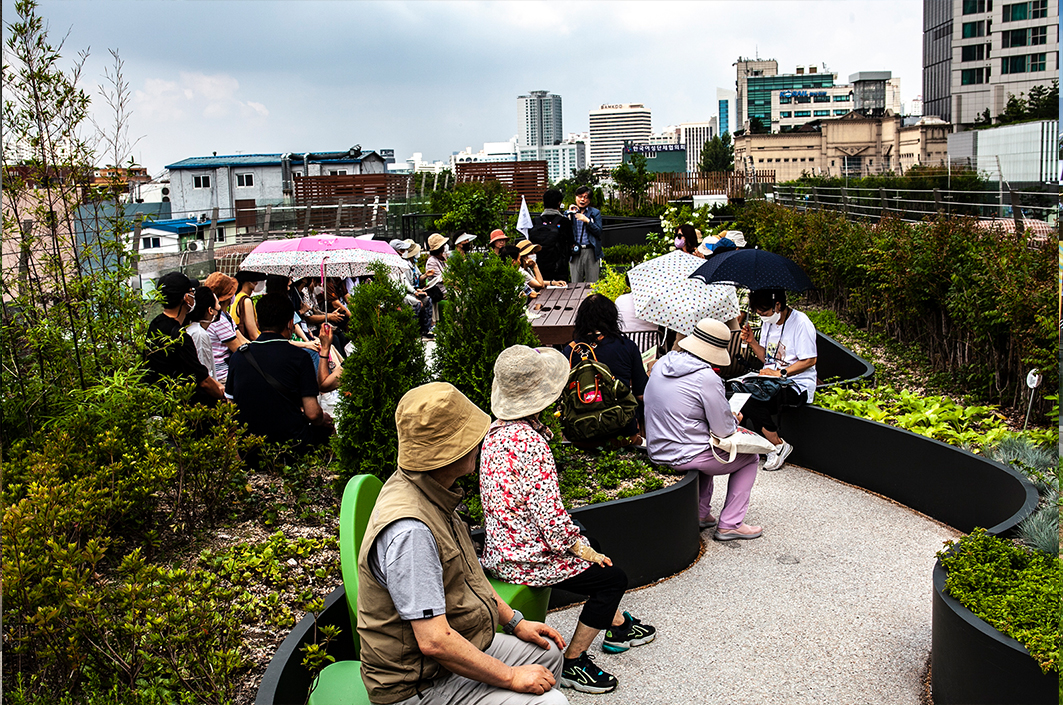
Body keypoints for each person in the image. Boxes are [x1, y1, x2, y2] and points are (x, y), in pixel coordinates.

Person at [358, 381, 569, 705]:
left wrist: (515, 622)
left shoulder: (432, 492)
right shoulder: (411, 531)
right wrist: (511, 677)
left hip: (451, 652)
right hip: (419, 685)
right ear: (447, 454)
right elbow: (434, 642)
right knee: (550, 703)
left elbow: (469, 576)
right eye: (469, 438)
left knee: (548, 652)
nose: (478, 444)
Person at [480, 345, 657, 695]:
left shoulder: (494, 433)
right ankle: (574, 662)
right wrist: (583, 550)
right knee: (612, 579)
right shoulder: (532, 444)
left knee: (595, 546)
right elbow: (552, 524)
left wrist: (585, 546)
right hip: (526, 559)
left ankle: (617, 625)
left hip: (501, 549)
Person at [644, 317, 763, 541]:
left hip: (657, 448)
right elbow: (723, 430)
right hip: (685, 454)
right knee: (749, 458)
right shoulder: (707, 377)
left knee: (704, 444)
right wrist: (734, 418)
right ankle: (731, 524)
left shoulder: (662, 363)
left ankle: (700, 513)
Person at [225, 293, 333, 451]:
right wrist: (323, 419)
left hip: (250, 449)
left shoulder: (239, 356)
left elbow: (230, 406)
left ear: (258, 323)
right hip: (292, 446)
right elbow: (312, 414)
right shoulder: (300, 358)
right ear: (290, 324)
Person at [739, 288, 818, 470]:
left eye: (764, 312)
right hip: (771, 380)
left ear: (778, 305)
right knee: (738, 393)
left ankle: (778, 446)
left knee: (753, 400)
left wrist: (782, 373)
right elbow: (767, 358)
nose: (762, 317)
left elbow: (810, 360)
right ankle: (748, 445)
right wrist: (752, 341)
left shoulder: (801, 323)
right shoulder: (768, 323)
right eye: (758, 313)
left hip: (796, 384)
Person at [561, 293, 648, 444]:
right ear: (613, 318)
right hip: (623, 433)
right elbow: (641, 394)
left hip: (581, 436)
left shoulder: (570, 351)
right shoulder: (627, 346)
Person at [145, 271, 225, 406]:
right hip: (180, 405)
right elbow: (203, 380)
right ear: (187, 298)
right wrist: (222, 394)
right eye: (192, 292)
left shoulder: (155, 324)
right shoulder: (180, 337)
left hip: (159, 401)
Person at [204, 272, 247, 384]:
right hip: (222, 375)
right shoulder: (218, 320)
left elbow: (241, 339)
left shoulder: (225, 315)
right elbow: (239, 348)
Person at [529, 189, 574, 282]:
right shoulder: (564, 222)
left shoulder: (535, 222)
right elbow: (571, 243)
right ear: (559, 203)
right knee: (562, 288)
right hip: (560, 267)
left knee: (541, 287)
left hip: (540, 265)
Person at [184, 286, 221, 379]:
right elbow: (204, 371)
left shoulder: (193, 329)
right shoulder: (199, 335)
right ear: (210, 310)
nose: (219, 307)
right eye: (218, 304)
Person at [567, 187, 602, 283]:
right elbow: (565, 231)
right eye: (580, 196)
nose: (582, 199)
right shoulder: (569, 213)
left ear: (589, 200)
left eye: (586, 197)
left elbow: (599, 232)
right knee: (575, 283)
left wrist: (587, 221)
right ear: (575, 197)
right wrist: (569, 215)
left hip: (590, 250)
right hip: (575, 252)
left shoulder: (595, 213)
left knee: (592, 283)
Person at [231, 270, 266, 340]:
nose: (257, 283)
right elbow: (253, 335)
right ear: (248, 281)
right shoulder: (246, 301)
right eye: (255, 280)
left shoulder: (237, 297)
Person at [425, 233, 449, 297]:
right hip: (441, 291)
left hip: (448, 288)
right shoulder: (432, 262)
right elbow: (443, 279)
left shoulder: (442, 258)